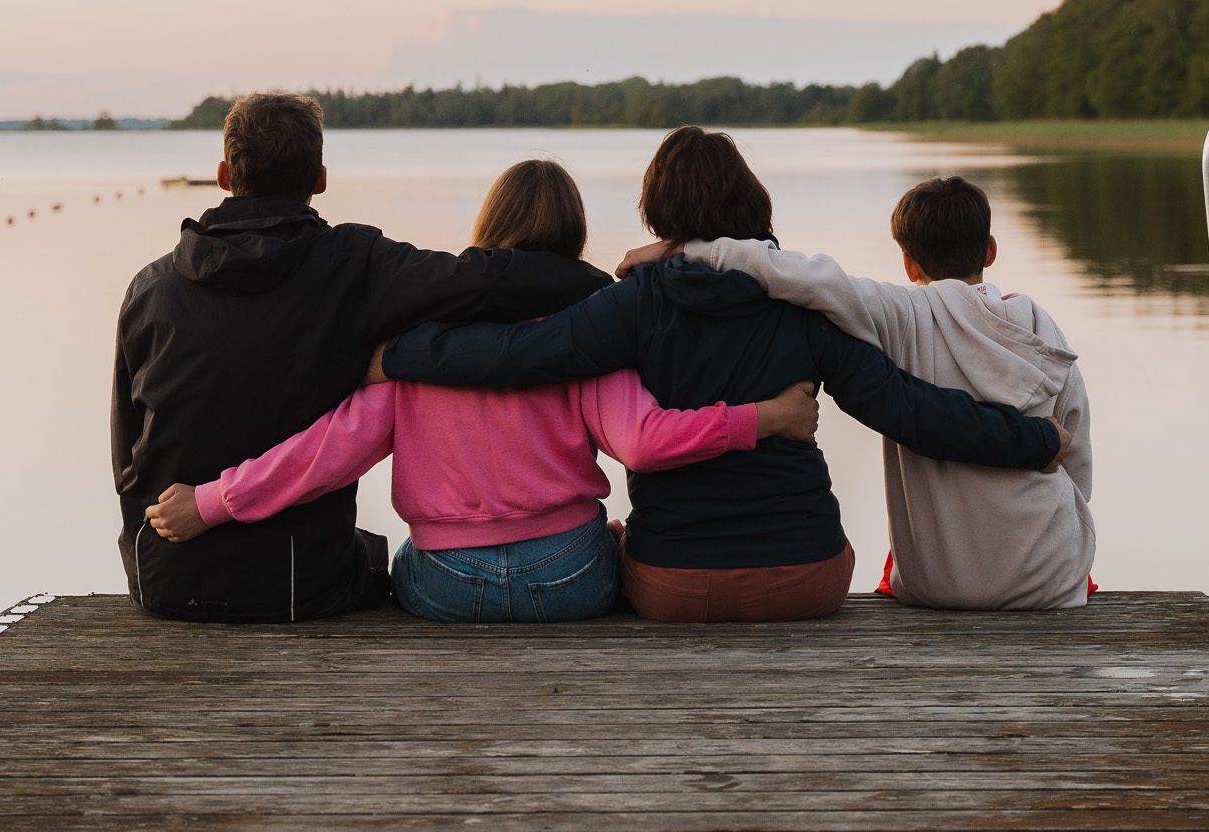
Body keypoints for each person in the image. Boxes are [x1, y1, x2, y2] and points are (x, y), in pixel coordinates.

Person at [378, 127, 1065, 623]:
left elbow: (518, 356)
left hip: (671, 588)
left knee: (612, 544)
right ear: (750, 202)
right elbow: (907, 409)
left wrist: (400, 355)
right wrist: (1031, 442)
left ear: (659, 213)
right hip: (807, 580)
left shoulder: (632, 305)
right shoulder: (801, 308)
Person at [141, 159, 821, 623]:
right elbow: (643, 441)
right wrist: (761, 417)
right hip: (568, 580)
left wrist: (213, 501)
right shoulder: (591, 330)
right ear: (575, 233)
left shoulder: (415, 342)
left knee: (389, 559)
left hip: (445, 582)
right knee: (610, 541)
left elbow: (330, 452)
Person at [112, 94, 606, 622]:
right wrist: (612, 290)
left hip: (165, 576)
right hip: (301, 584)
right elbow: (484, 281)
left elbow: (126, 457)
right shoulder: (357, 266)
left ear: (223, 175)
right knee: (373, 555)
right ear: (320, 178)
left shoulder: (149, 290)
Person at [639, 175, 1093, 610]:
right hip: (1048, 578)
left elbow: (802, 276)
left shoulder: (901, 315)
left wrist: (690, 250)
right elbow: (1077, 463)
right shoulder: (1040, 328)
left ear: (909, 262)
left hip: (936, 583)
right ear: (990, 251)